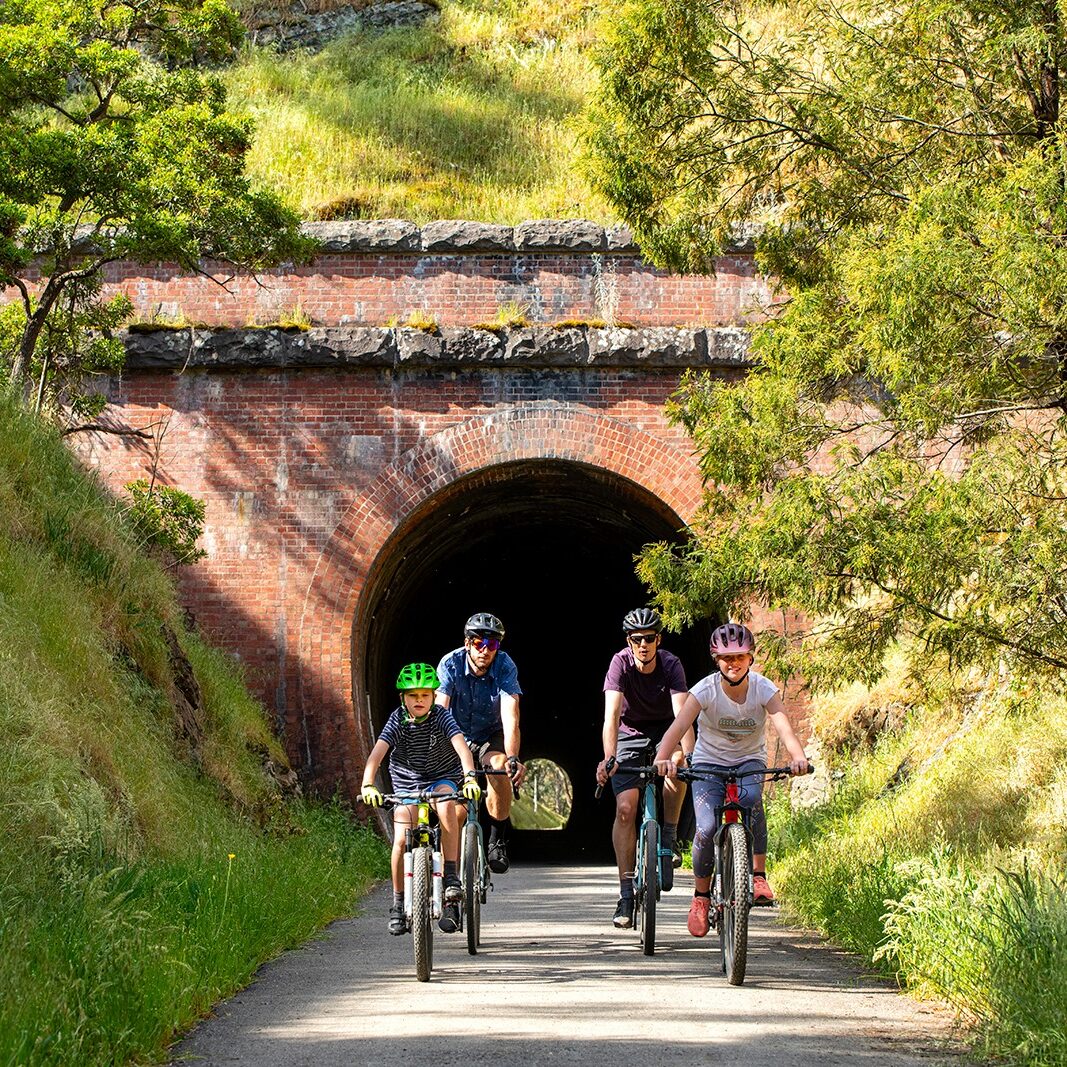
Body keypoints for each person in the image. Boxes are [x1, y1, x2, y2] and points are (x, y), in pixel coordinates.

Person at [653, 622, 810, 937]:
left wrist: (797, 757)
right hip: (710, 762)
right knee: (708, 827)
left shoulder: (763, 689)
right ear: (716, 659)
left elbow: (783, 726)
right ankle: (700, 898)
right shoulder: (705, 690)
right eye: (726, 658)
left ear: (750, 658)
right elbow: (679, 725)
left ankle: (758, 875)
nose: (733, 663)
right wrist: (662, 758)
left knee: (751, 800)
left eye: (740, 656)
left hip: (749, 759)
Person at [361, 663, 482, 936]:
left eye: (425, 695)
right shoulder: (396, 720)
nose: (419, 701)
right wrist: (368, 783)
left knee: (446, 803)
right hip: (407, 783)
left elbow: (462, 747)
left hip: (442, 777)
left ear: (433, 696)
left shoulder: (441, 716)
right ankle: (397, 903)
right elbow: (377, 755)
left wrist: (471, 777)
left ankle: (451, 875)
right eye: (413, 695)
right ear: (402, 698)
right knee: (402, 838)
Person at [596, 607, 694, 930]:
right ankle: (626, 893)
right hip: (630, 736)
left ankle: (669, 834)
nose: (643, 645)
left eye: (649, 639)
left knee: (677, 764)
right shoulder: (619, 664)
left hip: (666, 733)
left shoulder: (671, 665)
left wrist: (690, 755)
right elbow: (611, 717)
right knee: (626, 808)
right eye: (637, 639)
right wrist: (610, 756)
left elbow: (683, 715)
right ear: (629, 641)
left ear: (658, 640)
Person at [436, 612, 525, 874]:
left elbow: (511, 716)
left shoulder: (505, 666)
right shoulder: (450, 664)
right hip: (456, 735)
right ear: (467, 644)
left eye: (492, 645)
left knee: (499, 768)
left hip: (490, 735)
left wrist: (512, 758)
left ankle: (497, 839)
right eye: (478, 644)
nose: (485, 651)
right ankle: (450, 879)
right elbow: (441, 710)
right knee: (457, 812)